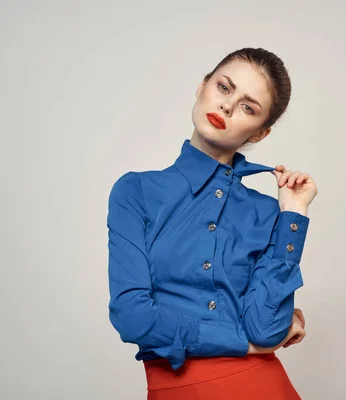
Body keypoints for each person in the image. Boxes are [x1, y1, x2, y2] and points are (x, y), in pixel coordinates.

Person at [106, 47, 318, 399]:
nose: (228, 107)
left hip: (263, 386)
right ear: (203, 85)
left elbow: (265, 330)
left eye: (248, 107)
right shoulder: (137, 191)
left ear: (259, 134)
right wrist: (241, 343)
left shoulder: (267, 212)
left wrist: (293, 217)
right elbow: (132, 317)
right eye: (224, 88)